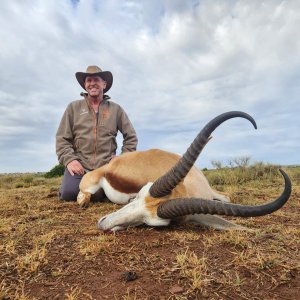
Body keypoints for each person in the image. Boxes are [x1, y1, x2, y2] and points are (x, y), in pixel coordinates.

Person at [56, 65, 138, 201]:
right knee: (68, 194)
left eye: (96, 80)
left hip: (107, 167)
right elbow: (62, 138)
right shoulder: (73, 107)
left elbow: (131, 137)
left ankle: (100, 191)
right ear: (84, 85)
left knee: (120, 195)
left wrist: (122, 159)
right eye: (89, 80)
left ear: (104, 84)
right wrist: (70, 160)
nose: (92, 83)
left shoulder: (116, 109)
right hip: (80, 167)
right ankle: (74, 185)